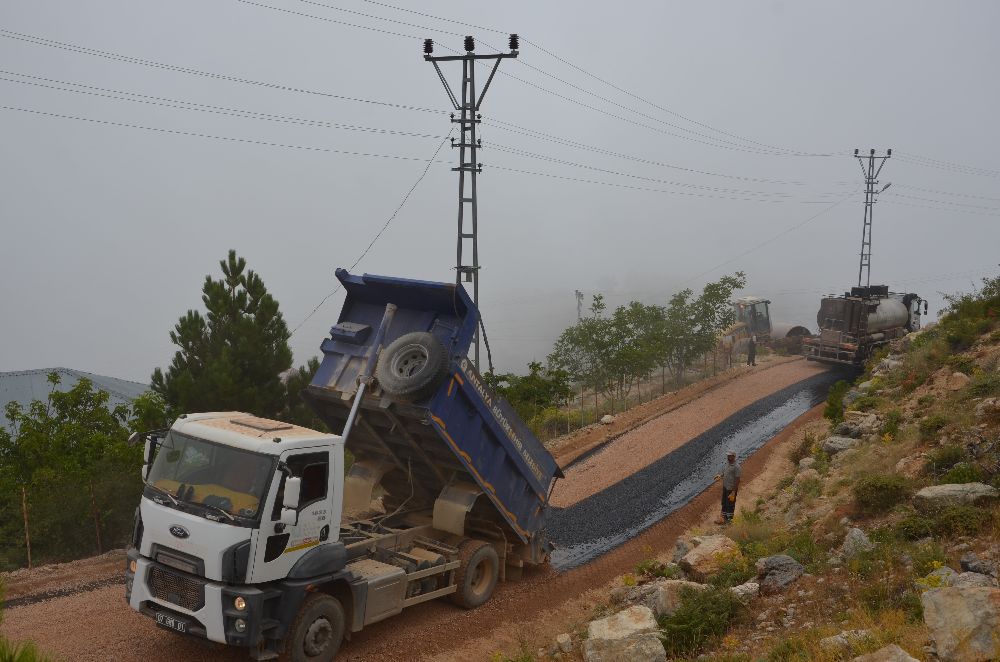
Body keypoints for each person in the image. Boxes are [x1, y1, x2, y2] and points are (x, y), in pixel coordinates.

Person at [714, 450, 742, 524]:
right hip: (725, 487)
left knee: (730, 505)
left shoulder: (737, 467)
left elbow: (737, 480)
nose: (728, 457)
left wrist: (733, 492)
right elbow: (725, 471)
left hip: (731, 489)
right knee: (724, 503)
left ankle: (729, 521)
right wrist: (720, 475)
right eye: (728, 456)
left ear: (733, 456)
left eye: (730, 456)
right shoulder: (728, 464)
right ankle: (722, 519)